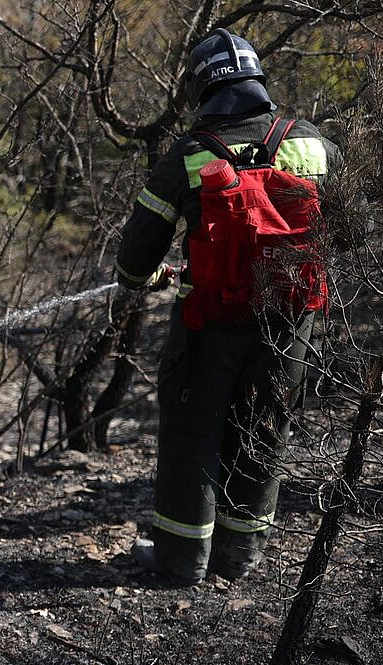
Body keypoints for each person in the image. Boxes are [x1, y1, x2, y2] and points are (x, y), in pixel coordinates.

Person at [114, 29, 340, 585]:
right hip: (291, 325)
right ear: (258, 81)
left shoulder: (191, 154)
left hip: (208, 326)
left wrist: (142, 279)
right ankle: (240, 557)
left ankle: (181, 560)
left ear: (203, 88)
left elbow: (134, 257)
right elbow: (347, 228)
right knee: (266, 428)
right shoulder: (311, 143)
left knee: (195, 434)